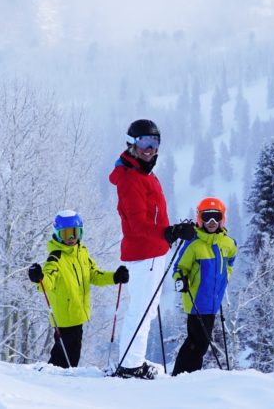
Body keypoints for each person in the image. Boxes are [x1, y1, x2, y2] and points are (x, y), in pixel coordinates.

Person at [109, 119, 195, 379]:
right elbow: (137, 223)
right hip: (143, 251)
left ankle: (133, 360)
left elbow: (154, 217)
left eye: (154, 142)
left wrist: (170, 232)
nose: (149, 148)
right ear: (132, 144)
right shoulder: (131, 178)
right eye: (144, 142)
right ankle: (129, 365)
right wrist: (169, 232)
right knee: (141, 308)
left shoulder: (144, 172)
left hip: (154, 250)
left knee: (147, 307)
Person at [27, 210, 129, 368]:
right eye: (66, 234)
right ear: (58, 235)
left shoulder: (82, 253)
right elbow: (48, 282)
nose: (71, 238)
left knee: (72, 356)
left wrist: (115, 277)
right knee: (64, 358)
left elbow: (94, 274)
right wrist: (39, 278)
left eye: (75, 233)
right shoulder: (55, 259)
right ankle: (51, 380)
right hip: (65, 318)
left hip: (78, 315)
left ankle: (56, 379)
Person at [171, 197, 237, 376]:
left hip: (214, 300)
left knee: (200, 341)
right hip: (196, 299)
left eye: (216, 217)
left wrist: (226, 277)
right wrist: (181, 280)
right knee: (198, 340)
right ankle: (184, 374)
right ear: (200, 218)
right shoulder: (193, 243)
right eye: (207, 217)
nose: (212, 222)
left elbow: (231, 260)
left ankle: (186, 375)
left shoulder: (228, 243)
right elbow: (179, 267)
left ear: (222, 218)